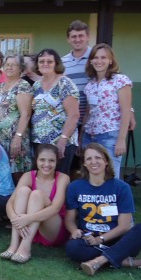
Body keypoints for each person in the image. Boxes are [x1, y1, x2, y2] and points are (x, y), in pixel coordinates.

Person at [64, 143, 141, 276]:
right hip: (89, 239)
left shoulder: (121, 187)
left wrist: (100, 239)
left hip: (117, 238)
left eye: (98, 158)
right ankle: (125, 260)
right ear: (84, 163)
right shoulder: (75, 187)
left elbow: (124, 226)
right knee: (72, 248)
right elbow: (69, 219)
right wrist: (74, 231)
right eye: (89, 159)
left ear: (106, 161)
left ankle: (99, 261)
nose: (93, 162)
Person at [1, 144, 70, 263]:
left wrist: (27, 219)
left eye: (51, 160)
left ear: (57, 162)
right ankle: (14, 245)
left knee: (37, 194)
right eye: (42, 160)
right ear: (36, 160)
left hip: (53, 228)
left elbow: (55, 208)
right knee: (23, 191)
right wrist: (16, 219)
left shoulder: (63, 178)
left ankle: (25, 248)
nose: (46, 164)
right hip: (28, 227)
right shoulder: (28, 176)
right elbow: (10, 204)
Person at [82, 43, 132, 174]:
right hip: (89, 136)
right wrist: (81, 137)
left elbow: (126, 111)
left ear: (110, 60)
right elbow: (88, 113)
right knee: (90, 175)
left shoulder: (120, 80)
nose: (99, 61)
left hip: (110, 135)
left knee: (110, 175)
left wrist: (121, 139)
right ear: (91, 61)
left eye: (103, 57)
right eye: (96, 58)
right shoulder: (90, 85)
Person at [31, 49, 79, 175]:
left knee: (59, 178)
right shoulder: (36, 85)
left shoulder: (64, 83)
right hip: (39, 141)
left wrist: (63, 140)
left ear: (56, 63)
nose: (45, 64)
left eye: (49, 61)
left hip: (60, 142)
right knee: (41, 178)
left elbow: (74, 115)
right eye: (41, 61)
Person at [0, 54, 33, 180]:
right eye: (7, 64)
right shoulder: (0, 87)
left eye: (13, 65)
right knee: (2, 174)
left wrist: (18, 137)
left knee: (17, 173)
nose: (9, 67)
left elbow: (25, 114)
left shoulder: (23, 86)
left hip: (15, 139)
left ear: (20, 68)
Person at [62, 20, 92, 126]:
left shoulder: (97, 58)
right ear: (68, 39)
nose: (77, 39)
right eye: (74, 36)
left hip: (93, 121)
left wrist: (130, 110)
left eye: (81, 36)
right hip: (71, 121)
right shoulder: (62, 62)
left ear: (87, 37)